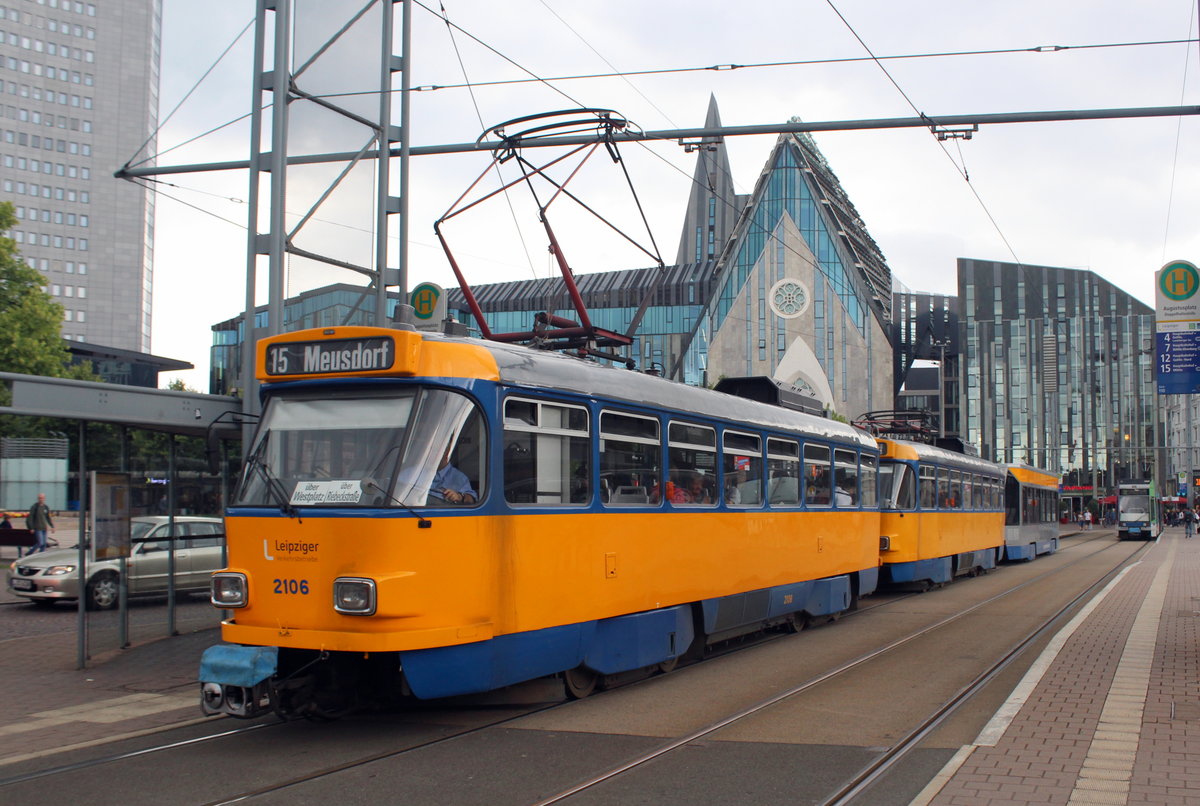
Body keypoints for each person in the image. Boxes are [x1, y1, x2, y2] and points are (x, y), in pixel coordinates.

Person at [24, 492, 54, 557]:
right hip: (37, 528)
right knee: (40, 543)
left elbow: (48, 517)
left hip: (44, 528)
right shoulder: (35, 507)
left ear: (44, 499)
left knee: (44, 544)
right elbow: (30, 518)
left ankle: (41, 556)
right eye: (40, 498)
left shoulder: (46, 507)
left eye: (42, 498)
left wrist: (52, 526)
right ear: (38, 499)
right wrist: (31, 527)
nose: (41, 499)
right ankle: (29, 553)